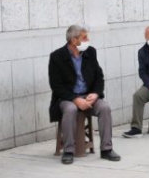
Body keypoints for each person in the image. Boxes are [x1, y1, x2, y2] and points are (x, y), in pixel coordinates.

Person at [48, 25, 120, 164]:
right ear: (74, 41)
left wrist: (96, 94)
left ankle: (106, 149)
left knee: (104, 107)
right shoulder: (57, 57)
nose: (88, 40)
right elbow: (56, 86)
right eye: (84, 37)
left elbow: (99, 77)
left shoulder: (90, 52)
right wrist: (75, 99)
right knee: (70, 109)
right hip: (67, 98)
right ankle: (68, 151)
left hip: (88, 95)